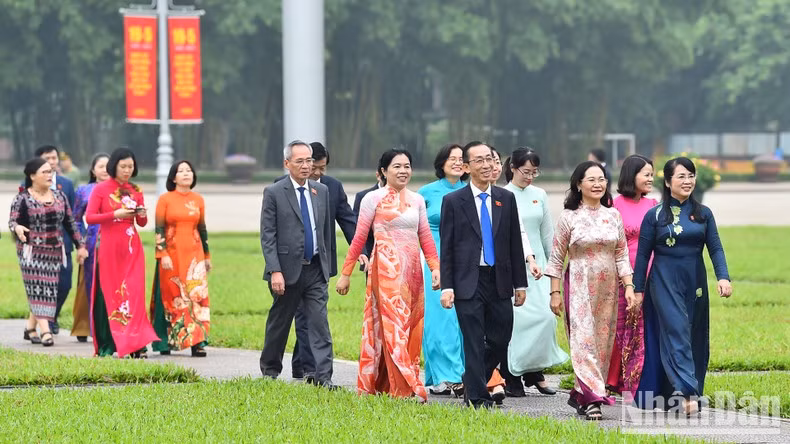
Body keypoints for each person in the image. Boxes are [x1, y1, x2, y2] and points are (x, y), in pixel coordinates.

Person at [336, 148, 440, 402]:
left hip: (413, 271)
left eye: (407, 166)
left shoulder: (416, 200)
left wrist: (435, 267)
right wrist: (346, 273)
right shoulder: (373, 198)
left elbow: (425, 236)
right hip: (386, 270)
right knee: (394, 328)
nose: (403, 171)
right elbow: (360, 236)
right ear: (383, 171)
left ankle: (390, 383)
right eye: (396, 166)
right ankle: (404, 388)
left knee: (410, 327)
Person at [633, 157, 732, 417]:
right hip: (663, 280)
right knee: (676, 330)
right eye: (681, 176)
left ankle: (671, 392)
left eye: (691, 176)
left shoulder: (703, 213)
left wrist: (723, 277)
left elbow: (716, 248)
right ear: (667, 182)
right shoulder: (654, 215)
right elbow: (643, 255)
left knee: (692, 334)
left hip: (695, 282)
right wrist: (638, 288)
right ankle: (688, 392)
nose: (687, 181)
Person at [439, 141, 528, 408]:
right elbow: (448, 247)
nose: (487, 164)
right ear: (466, 167)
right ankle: (477, 397)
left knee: (501, 338)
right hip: (468, 281)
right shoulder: (453, 201)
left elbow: (514, 243)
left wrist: (520, 284)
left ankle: (472, 377)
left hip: (499, 280)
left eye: (490, 158)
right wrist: (447, 286)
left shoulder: (506, 198)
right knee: (474, 340)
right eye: (479, 160)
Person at [544, 161, 634, 420]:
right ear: (578, 184)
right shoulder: (569, 216)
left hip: (608, 288)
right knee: (583, 341)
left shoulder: (612, 215)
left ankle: (582, 394)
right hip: (580, 285)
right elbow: (556, 258)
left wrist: (628, 286)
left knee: (602, 343)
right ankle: (594, 397)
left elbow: (621, 255)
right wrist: (555, 293)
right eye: (591, 179)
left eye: (602, 179)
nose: (597, 184)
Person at [260, 140, 336, 389]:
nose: (306, 166)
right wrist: (275, 271)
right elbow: (267, 235)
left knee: (319, 323)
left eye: (309, 160)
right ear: (287, 164)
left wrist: (327, 267)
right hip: (286, 270)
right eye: (300, 161)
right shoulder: (274, 192)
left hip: (315, 268)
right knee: (280, 323)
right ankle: (270, 371)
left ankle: (324, 377)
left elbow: (325, 231)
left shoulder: (320, 191)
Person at [289, 142, 359, 381]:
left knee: (314, 316)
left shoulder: (333, 187)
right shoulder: (283, 186)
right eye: (314, 166)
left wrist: (361, 249)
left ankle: (305, 366)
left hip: (320, 263)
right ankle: (307, 368)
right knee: (303, 315)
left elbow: (348, 221)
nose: (317, 172)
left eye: (322, 168)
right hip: (293, 265)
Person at [503, 148, 568, 397]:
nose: (530, 177)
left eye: (534, 172)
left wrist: (554, 265)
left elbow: (547, 234)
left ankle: (534, 370)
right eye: (525, 171)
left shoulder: (539, 194)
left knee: (545, 318)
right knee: (518, 321)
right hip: (513, 266)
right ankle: (513, 373)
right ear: (512, 169)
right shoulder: (503, 194)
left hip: (539, 266)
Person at [85, 148, 158, 358]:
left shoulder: (136, 189)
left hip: (131, 246)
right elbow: (90, 218)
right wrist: (114, 214)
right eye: (123, 166)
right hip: (109, 247)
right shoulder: (100, 189)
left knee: (134, 293)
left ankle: (136, 344)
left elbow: (142, 223)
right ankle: (112, 343)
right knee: (113, 293)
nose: (127, 170)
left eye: (130, 167)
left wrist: (142, 214)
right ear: (114, 166)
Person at [9, 158, 87, 347]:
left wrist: (81, 246)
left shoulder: (60, 196)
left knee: (48, 291)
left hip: (54, 250)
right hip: (30, 251)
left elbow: (70, 223)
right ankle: (45, 331)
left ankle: (30, 327)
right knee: (36, 289)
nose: (49, 175)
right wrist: (18, 228)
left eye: (50, 171)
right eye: (44, 172)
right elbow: (12, 222)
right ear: (32, 175)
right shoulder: (23, 198)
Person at [417, 144, 467, 396]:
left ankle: (463, 373)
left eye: (461, 159)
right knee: (439, 319)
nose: (457, 162)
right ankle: (443, 375)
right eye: (452, 158)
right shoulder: (426, 192)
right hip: (433, 259)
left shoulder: (471, 191)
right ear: (442, 162)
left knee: (462, 318)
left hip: (465, 259)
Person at [606, 154, 657, 396]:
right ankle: (613, 378)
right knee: (622, 324)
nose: (651, 178)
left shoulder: (653, 205)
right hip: (622, 275)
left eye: (652, 174)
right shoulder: (614, 206)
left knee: (643, 326)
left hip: (651, 274)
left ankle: (637, 378)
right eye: (646, 174)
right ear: (631, 175)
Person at [149, 160, 212, 357]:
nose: (186, 173)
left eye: (189, 170)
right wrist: (162, 253)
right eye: (181, 171)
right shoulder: (165, 199)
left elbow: (202, 229)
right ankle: (164, 343)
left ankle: (198, 342)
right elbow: (159, 228)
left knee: (196, 295)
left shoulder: (198, 199)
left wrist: (207, 256)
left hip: (195, 255)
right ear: (173, 177)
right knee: (172, 294)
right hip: (172, 255)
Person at [34, 145, 76, 335]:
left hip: (63, 243)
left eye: (54, 158)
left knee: (65, 284)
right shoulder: (28, 184)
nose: (52, 162)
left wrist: (78, 242)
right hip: (39, 245)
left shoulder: (66, 184)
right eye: (47, 158)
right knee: (43, 285)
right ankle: (45, 322)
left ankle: (53, 315)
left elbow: (72, 216)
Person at [70, 153, 111, 342]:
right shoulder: (84, 191)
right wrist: (81, 244)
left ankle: (111, 326)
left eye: (108, 166)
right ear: (93, 170)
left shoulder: (119, 191)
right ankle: (89, 326)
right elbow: (76, 220)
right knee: (89, 284)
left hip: (113, 243)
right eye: (100, 166)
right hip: (91, 244)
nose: (104, 169)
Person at [352, 170, 383, 270]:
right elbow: (356, 227)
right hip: (372, 251)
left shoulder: (407, 197)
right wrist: (362, 252)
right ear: (379, 175)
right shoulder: (364, 196)